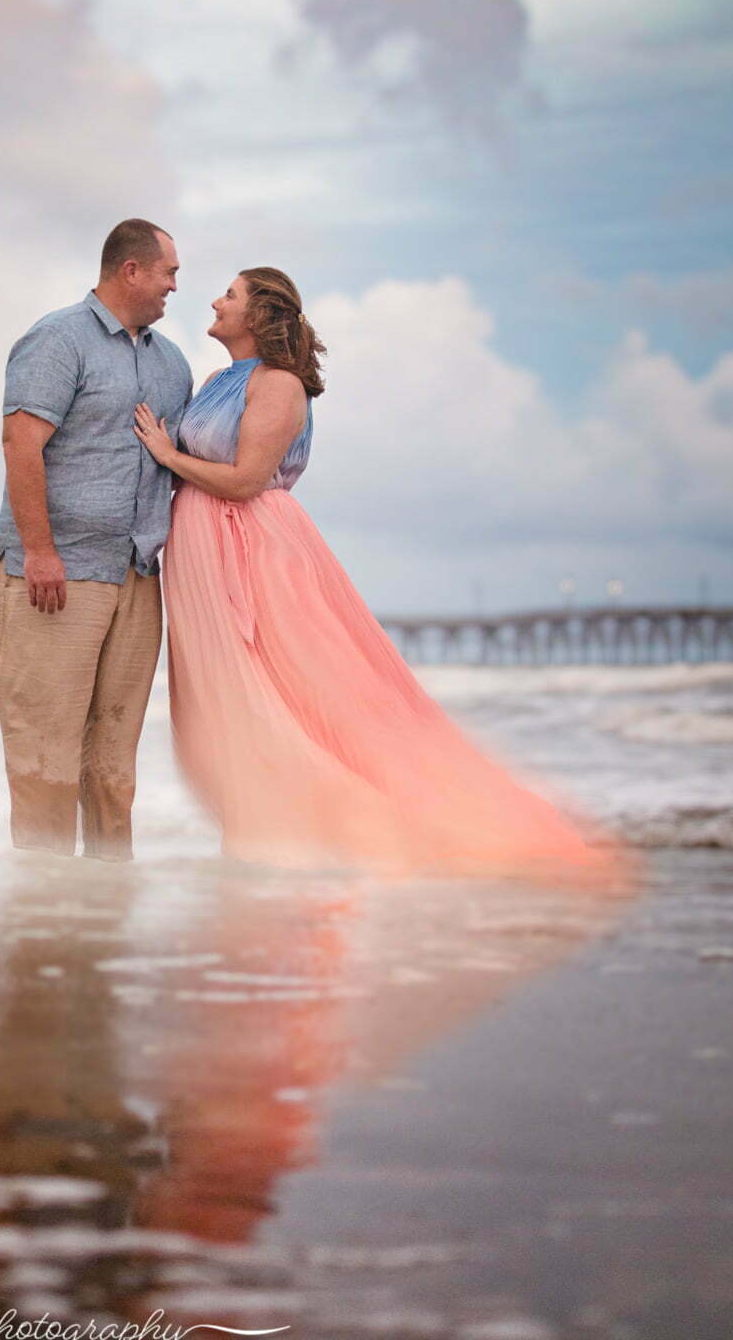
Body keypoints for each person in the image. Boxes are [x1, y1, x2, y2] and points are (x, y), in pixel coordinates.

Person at [132, 266, 640, 891]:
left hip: (253, 548)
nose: (214, 299)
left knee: (284, 692)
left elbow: (244, 481)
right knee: (224, 703)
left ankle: (354, 835)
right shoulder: (216, 380)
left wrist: (166, 454)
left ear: (261, 315)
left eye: (229, 294)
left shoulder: (281, 385)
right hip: (201, 553)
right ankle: (252, 842)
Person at [0, 219, 194, 861]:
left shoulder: (171, 362)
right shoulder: (57, 339)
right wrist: (40, 550)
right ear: (131, 270)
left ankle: (103, 909)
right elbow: (21, 445)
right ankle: (42, 912)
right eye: (169, 273)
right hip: (57, 572)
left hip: (136, 575)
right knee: (45, 752)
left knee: (113, 761)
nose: (174, 287)